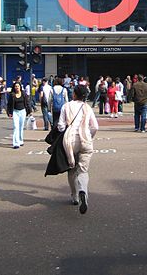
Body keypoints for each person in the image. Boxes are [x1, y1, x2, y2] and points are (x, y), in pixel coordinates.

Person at [57, 85, 98, 214]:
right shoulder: (87, 107)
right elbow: (95, 126)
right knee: (83, 171)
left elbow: (60, 126)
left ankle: (74, 196)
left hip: (70, 141)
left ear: (74, 94)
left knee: (71, 169)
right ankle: (83, 192)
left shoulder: (66, 106)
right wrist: (89, 135)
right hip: (85, 140)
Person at [7, 82, 32, 149]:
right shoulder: (12, 95)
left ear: (20, 87)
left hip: (22, 111)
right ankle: (16, 143)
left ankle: (20, 140)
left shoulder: (23, 94)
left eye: (18, 86)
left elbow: (27, 102)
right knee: (16, 127)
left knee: (21, 127)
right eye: (15, 86)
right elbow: (9, 104)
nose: (17, 87)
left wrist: (30, 111)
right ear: (14, 87)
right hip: (15, 111)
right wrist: (9, 112)